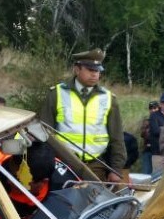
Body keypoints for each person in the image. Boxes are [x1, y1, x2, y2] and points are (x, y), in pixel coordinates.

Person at [42, 48, 125, 183]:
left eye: (97, 71)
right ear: (77, 69)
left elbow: (117, 138)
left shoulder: (109, 98)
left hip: (97, 166)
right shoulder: (56, 94)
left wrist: (116, 169)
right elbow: (45, 132)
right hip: (64, 164)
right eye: (90, 70)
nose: (95, 75)